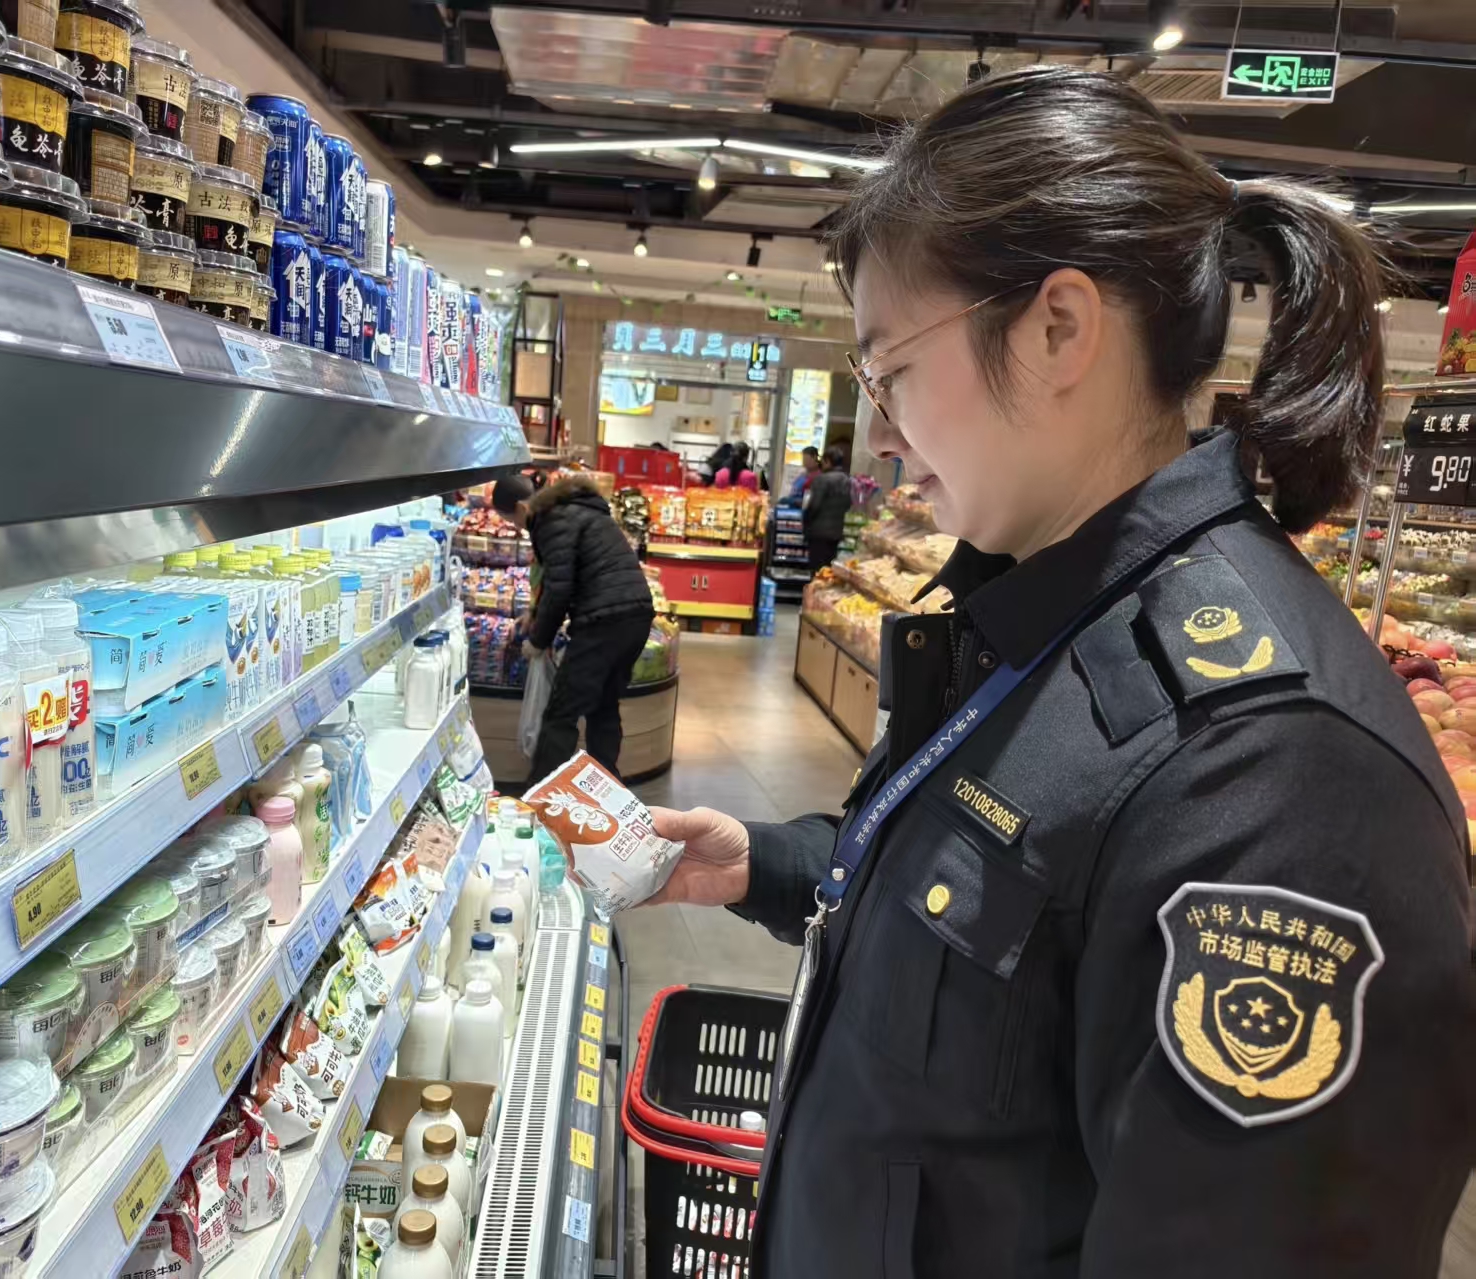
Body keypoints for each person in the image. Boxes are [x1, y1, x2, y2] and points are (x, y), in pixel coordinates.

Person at [643, 67, 1476, 1278]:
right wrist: (769, 862)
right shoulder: (1046, 615)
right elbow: (1011, 906)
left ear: (1057, 329)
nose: (880, 432)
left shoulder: (1280, 784)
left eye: (888, 370)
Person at [492, 472, 655, 783]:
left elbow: (559, 589)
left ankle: (540, 797)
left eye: (512, 520)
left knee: (561, 713)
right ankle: (605, 790)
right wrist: (535, 614)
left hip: (604, 623)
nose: (517, 527)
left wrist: (538, 641)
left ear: (521, 508)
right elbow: (563, 576)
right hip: (636, 617)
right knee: (603, 707)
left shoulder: (550, 520)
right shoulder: (574, 508)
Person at [802, 440, 851, 571]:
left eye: (823, 461)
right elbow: (848, 504)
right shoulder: (847, 480)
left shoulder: (821, 480)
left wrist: (805, 523)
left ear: (828, 461)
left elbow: (813, 506)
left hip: (818, 533)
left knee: (817, 568)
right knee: (829, 568)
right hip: (836, 533)